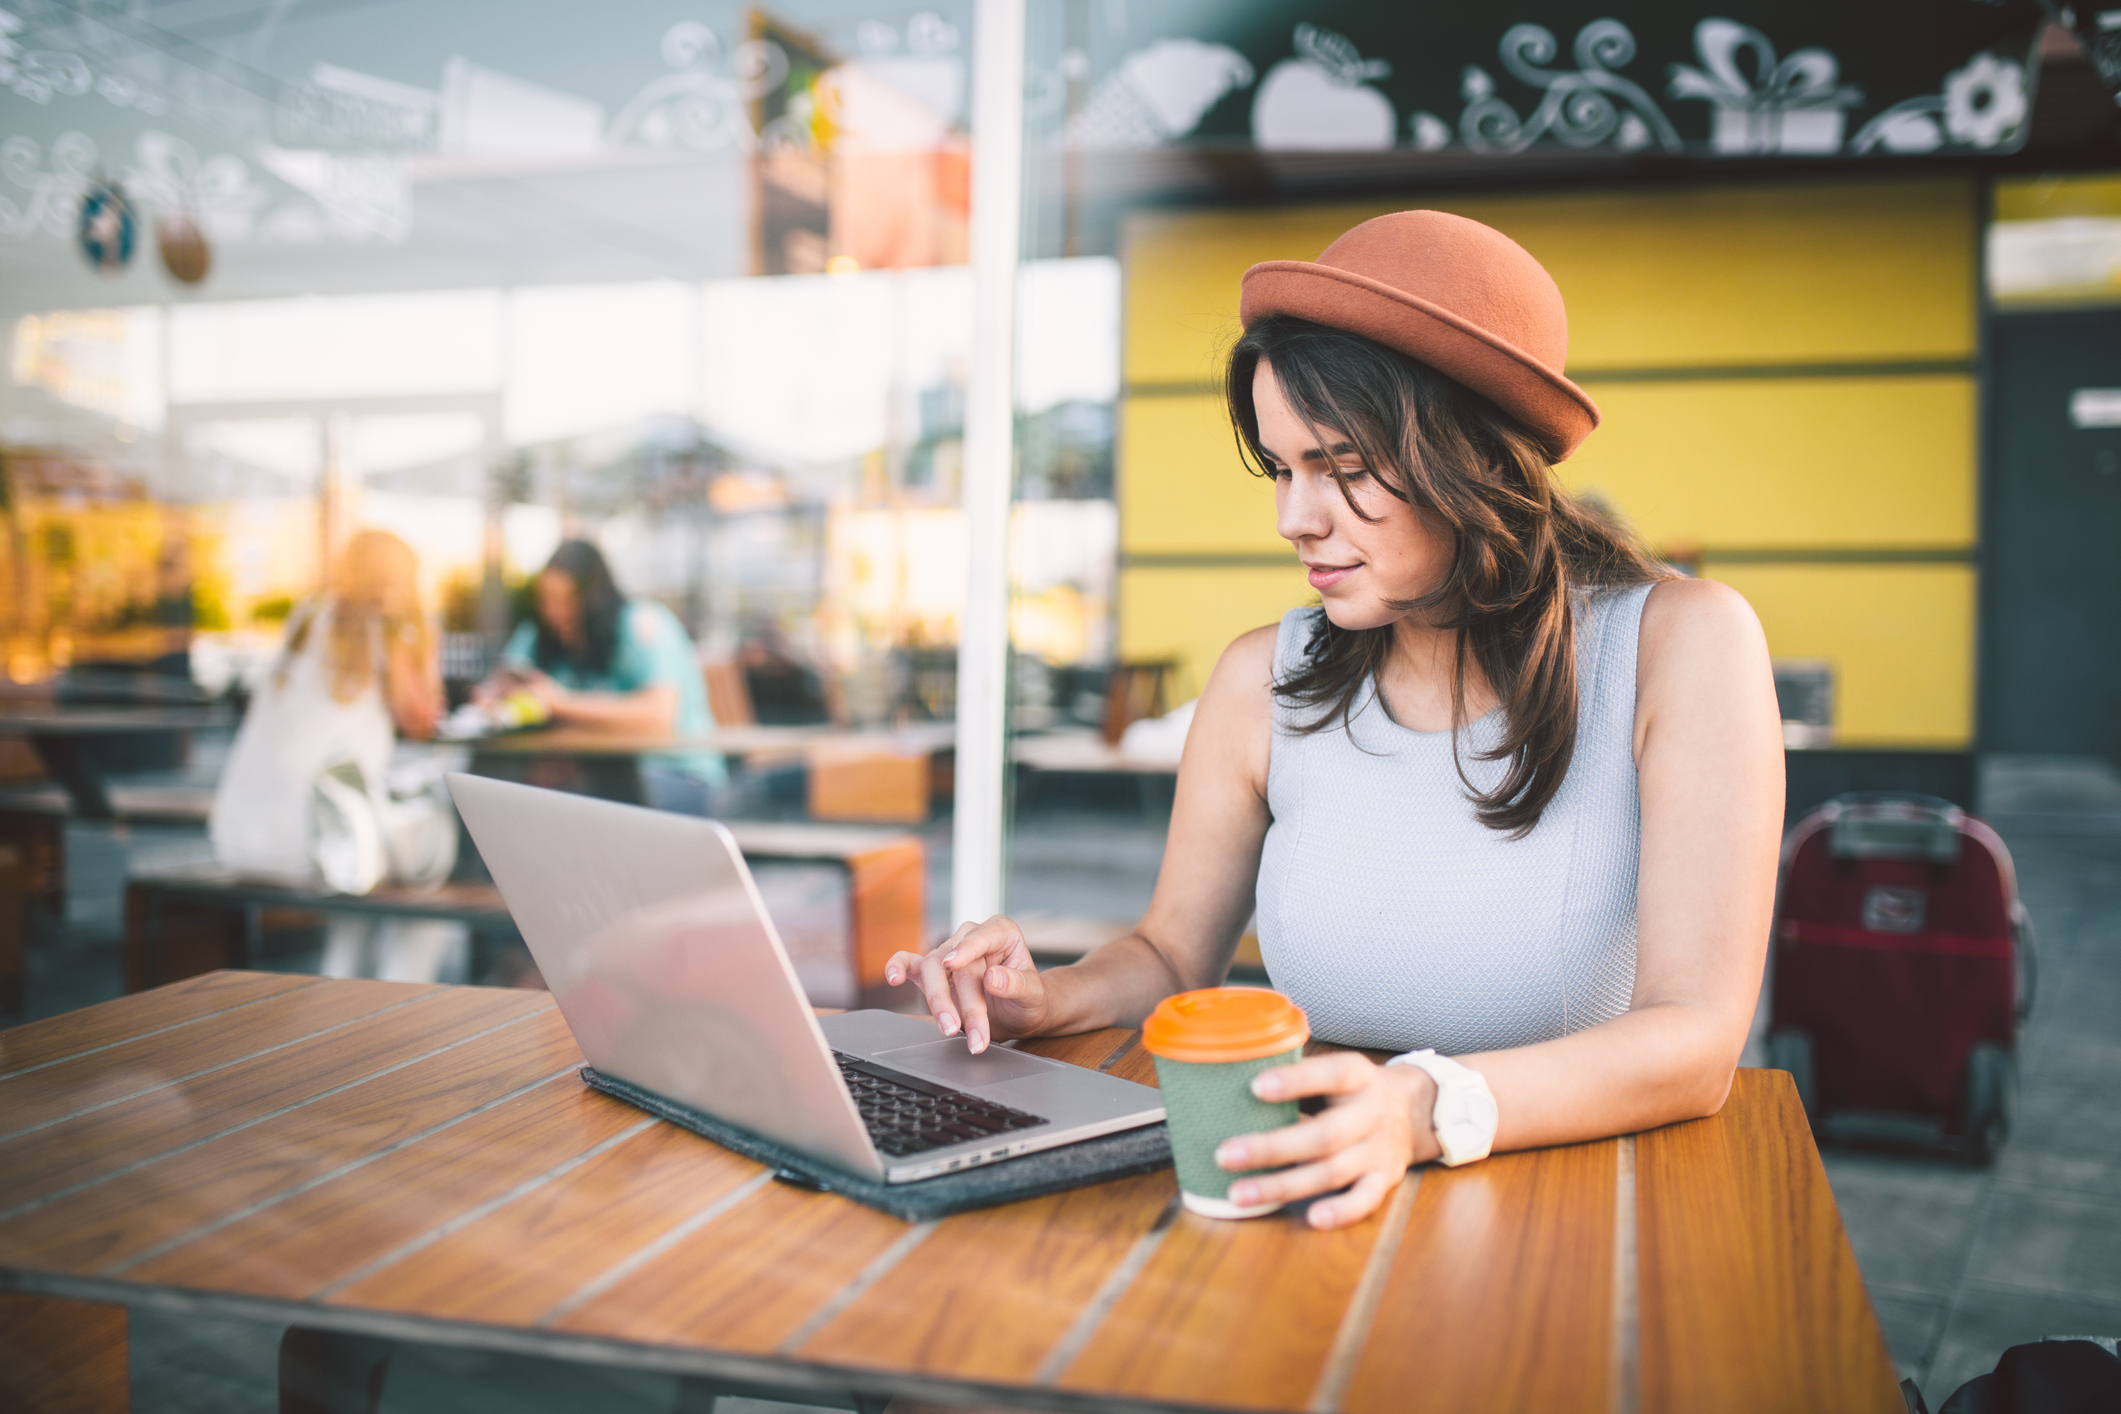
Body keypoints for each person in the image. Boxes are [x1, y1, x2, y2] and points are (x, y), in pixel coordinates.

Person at [886, 211, 1785, 1230]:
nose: (1294, 519)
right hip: (1321, 1173)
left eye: (1344, 469)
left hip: (1576, 1202)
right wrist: (1049, 998)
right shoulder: (1260, 678)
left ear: (1475, 457)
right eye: (1281, 468)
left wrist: (1418, 1108)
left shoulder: (1680, 646)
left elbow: (1698, 1038)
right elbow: (1174, 957)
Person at [210, 528, 462, 981]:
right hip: (317, 840)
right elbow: (423, 719)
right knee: (435, 868)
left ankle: (341, 977)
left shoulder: (308, 618)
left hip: (240, 836)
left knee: (367, 856)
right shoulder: (387, 627)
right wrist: (422, 638)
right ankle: (405, 996)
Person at [477, 539, 724, 813]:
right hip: (594, 770)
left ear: (592, 598)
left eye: (565, 601)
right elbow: (501, 685)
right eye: (545, 600)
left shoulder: (640, 623)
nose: (553, 612)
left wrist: (558, 703)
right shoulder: (539, 634)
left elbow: (657, 718)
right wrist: (495, 698)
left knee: (576, 799)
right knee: (494, 784)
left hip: (674, 772)